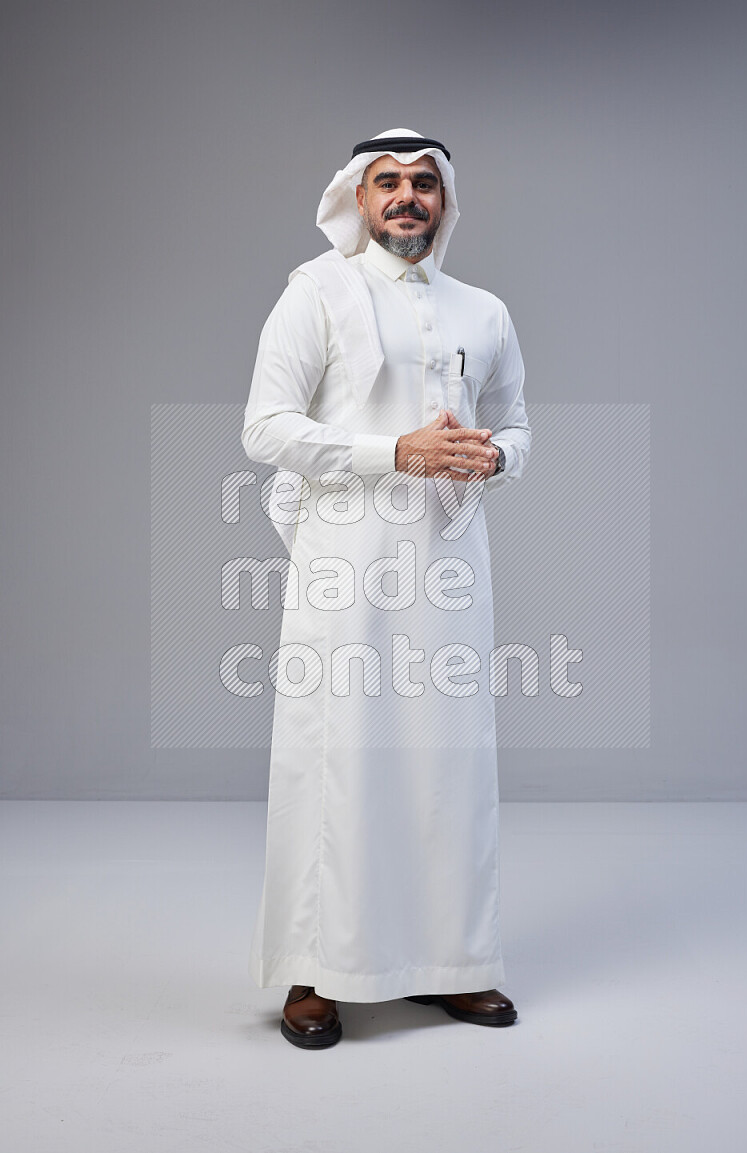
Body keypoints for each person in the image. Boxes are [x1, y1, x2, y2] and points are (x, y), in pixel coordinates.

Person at [241, 128, 532, 1048]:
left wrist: (495, 456)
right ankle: (315, 973)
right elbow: (266, 428)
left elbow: (519, 423)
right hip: (345, 562)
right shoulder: (315, 293)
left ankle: (452, 965)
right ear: (358, 201)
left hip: (449, 567)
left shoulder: (484, 309)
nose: (407, 197)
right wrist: (393, 450)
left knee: (448, 761)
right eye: (387, 183)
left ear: (444, 202)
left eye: (423, 184)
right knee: (338, 760)